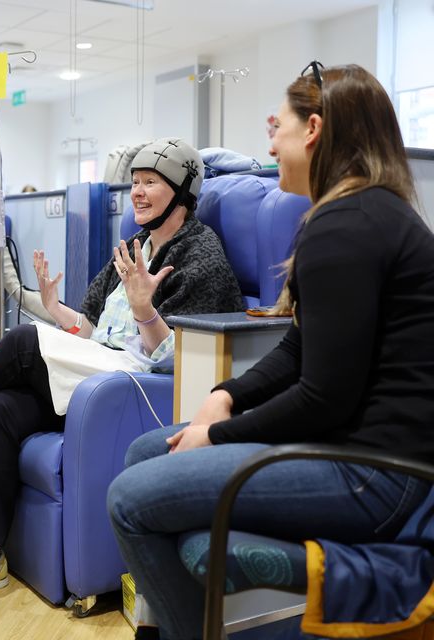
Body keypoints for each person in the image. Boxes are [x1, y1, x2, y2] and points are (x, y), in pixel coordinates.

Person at [106, 63, 434, 640]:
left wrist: (221, 435)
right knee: (143, 453)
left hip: (378, 476)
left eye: (276, 122)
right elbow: (300, 348)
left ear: (313, 129)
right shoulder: (357, 214)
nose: (269, 137)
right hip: (360, 454)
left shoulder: (349, 223)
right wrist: (223, 398)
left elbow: (325, 397)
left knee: (131, 498)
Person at [0, 138, 245, 601]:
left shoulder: (202, 255)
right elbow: (91, 327)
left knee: (19, 343)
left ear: (181, 193)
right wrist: (56, 308)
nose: (137, 192)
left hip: (134, 386)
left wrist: (145, 311)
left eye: (150, 183)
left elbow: (184, 359)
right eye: (134, 182)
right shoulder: (134, 245)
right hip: (95, 370)